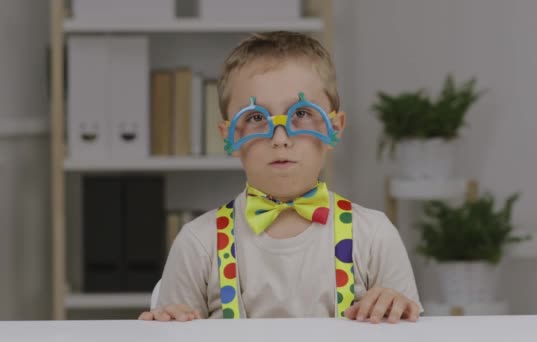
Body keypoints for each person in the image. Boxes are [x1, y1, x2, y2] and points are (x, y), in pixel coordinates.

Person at [138, 31, 422, 324]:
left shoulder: (375, 236)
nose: (281, 138)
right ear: (231, 136)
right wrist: (166, 323)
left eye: (301, 112)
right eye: (256, 118)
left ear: (334, 128)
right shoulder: (198, 243)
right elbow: (170, 330)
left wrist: (396, 308)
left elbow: (408, 329)